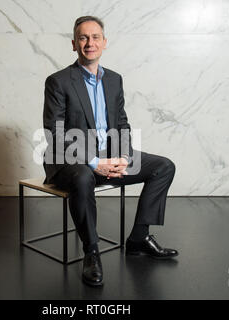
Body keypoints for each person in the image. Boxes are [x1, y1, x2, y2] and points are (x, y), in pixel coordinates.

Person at [42, 16, 178, 287]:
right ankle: (91, 252)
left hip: (110, 155)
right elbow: (54, 133)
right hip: (71, 161)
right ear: (73, 44)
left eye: (95, 38)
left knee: (164, 166)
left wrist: (124, 157)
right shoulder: (58, 81)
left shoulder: (114, 80)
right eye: (83, 38)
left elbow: (122, 124)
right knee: (82, 177)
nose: (89, 43)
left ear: (104, 43)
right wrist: (95, 163)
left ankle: (139, 238)